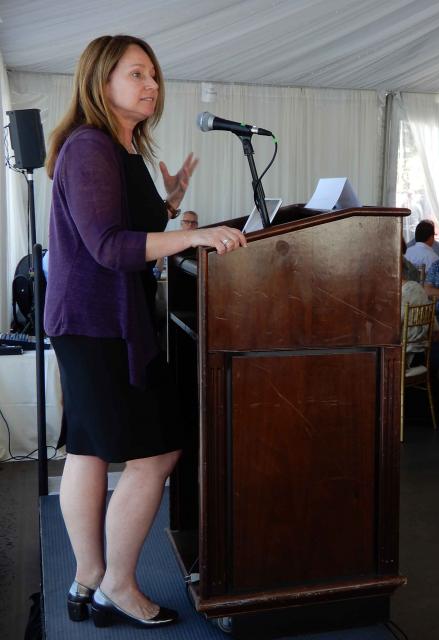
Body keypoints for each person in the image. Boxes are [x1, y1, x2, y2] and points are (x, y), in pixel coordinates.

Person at [44, 35, 247, 629]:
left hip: (94, 321)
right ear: (100, 81)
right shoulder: (88, 146)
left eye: (154, 74)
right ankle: (118, 586)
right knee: (157, 451)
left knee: (88, 447)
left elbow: (124, 227)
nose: (151, 84)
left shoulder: (117, 146)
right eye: (137, 73)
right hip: (99, 323)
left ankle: (87, 580)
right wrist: (193, 233)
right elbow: (109, 246)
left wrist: (170, 202)